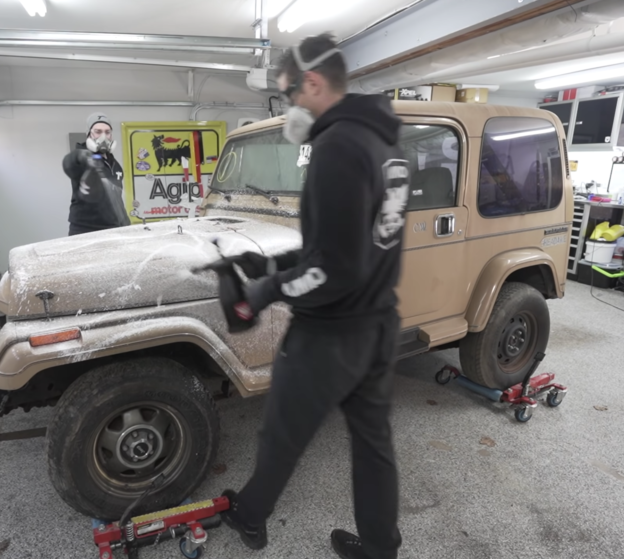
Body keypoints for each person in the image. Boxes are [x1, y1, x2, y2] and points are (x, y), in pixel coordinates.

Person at [216, 33, 408, 559]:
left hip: (331, 335)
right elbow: (348, 243)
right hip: (377, 324)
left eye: (289, 94)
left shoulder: (337, 146)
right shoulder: (386, 142)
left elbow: (336, 270)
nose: (290, 106)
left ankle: (250, 517)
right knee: (373, 446)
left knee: (282, 434)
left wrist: (263, 291)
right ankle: (378, 548)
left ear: (314, 82)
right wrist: (275, 262)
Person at [62, 112, 131, 236]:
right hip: (85, 231)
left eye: (107, 132)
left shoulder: (114, 164)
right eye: (98, 132)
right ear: (89, 133)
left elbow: (116, 198)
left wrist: (125, 224)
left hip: (114, 229)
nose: (103, 136)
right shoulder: (83, 159)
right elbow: (70, 163)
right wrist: (81, 156)